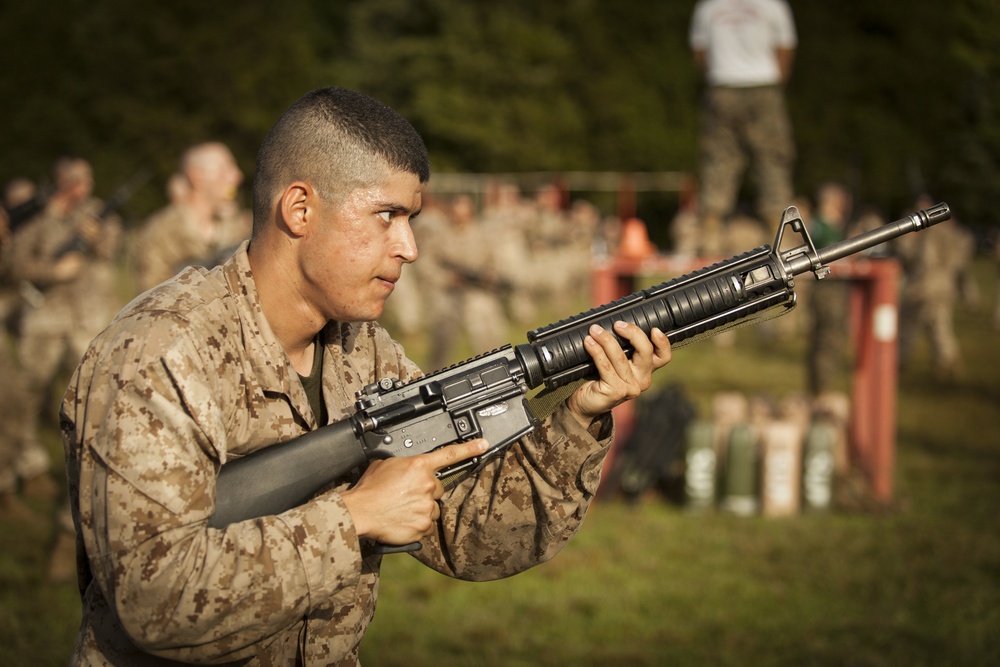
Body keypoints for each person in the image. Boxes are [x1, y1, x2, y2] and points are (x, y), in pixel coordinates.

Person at [60, 87, 672, 665]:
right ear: (300, 209)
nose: (409, 247)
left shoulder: (363, 353)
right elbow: (155, 598)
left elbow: (473, 530)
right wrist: (353, 518)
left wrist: (577, 417)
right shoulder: (158, 351)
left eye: (412, 219)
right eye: (387, 215)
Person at [689, 0, 797, 256]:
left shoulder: (708, 7)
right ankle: (781, 234)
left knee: (719, 159)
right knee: (772, 159)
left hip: (722, 85)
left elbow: (700, 54)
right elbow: (785, 49)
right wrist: (772, 80)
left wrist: (722, 74)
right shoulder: (773, 5)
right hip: (763, 85)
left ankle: (710, 233)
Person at [132, 142, 250, 293]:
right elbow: (150, 298)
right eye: (225, 169)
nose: (237, 176)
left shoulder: (236, 226)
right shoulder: (161, 231)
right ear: (198, 177)